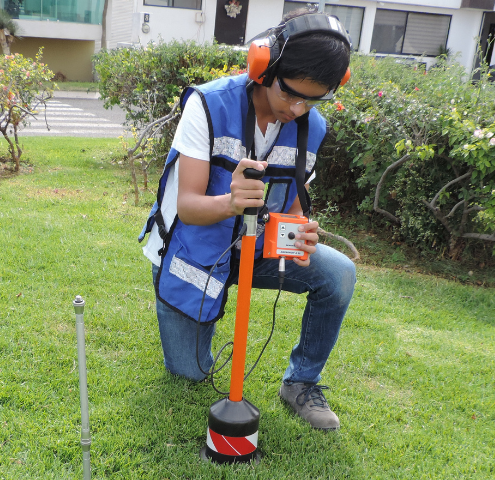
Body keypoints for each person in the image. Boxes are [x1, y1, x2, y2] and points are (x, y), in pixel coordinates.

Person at [139, 9, 356, 431]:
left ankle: (302, 382)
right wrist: (231, 202)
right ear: (264, 65)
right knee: (192, 373)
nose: (297, 108)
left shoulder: (312, 127)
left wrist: (299, 230)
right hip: (194, 251)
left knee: (339, 274)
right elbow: (187, 207)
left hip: (256, 249)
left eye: (312, 99)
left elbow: (291, 205)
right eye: (291, 94)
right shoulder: (208, 104)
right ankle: (196, 326)